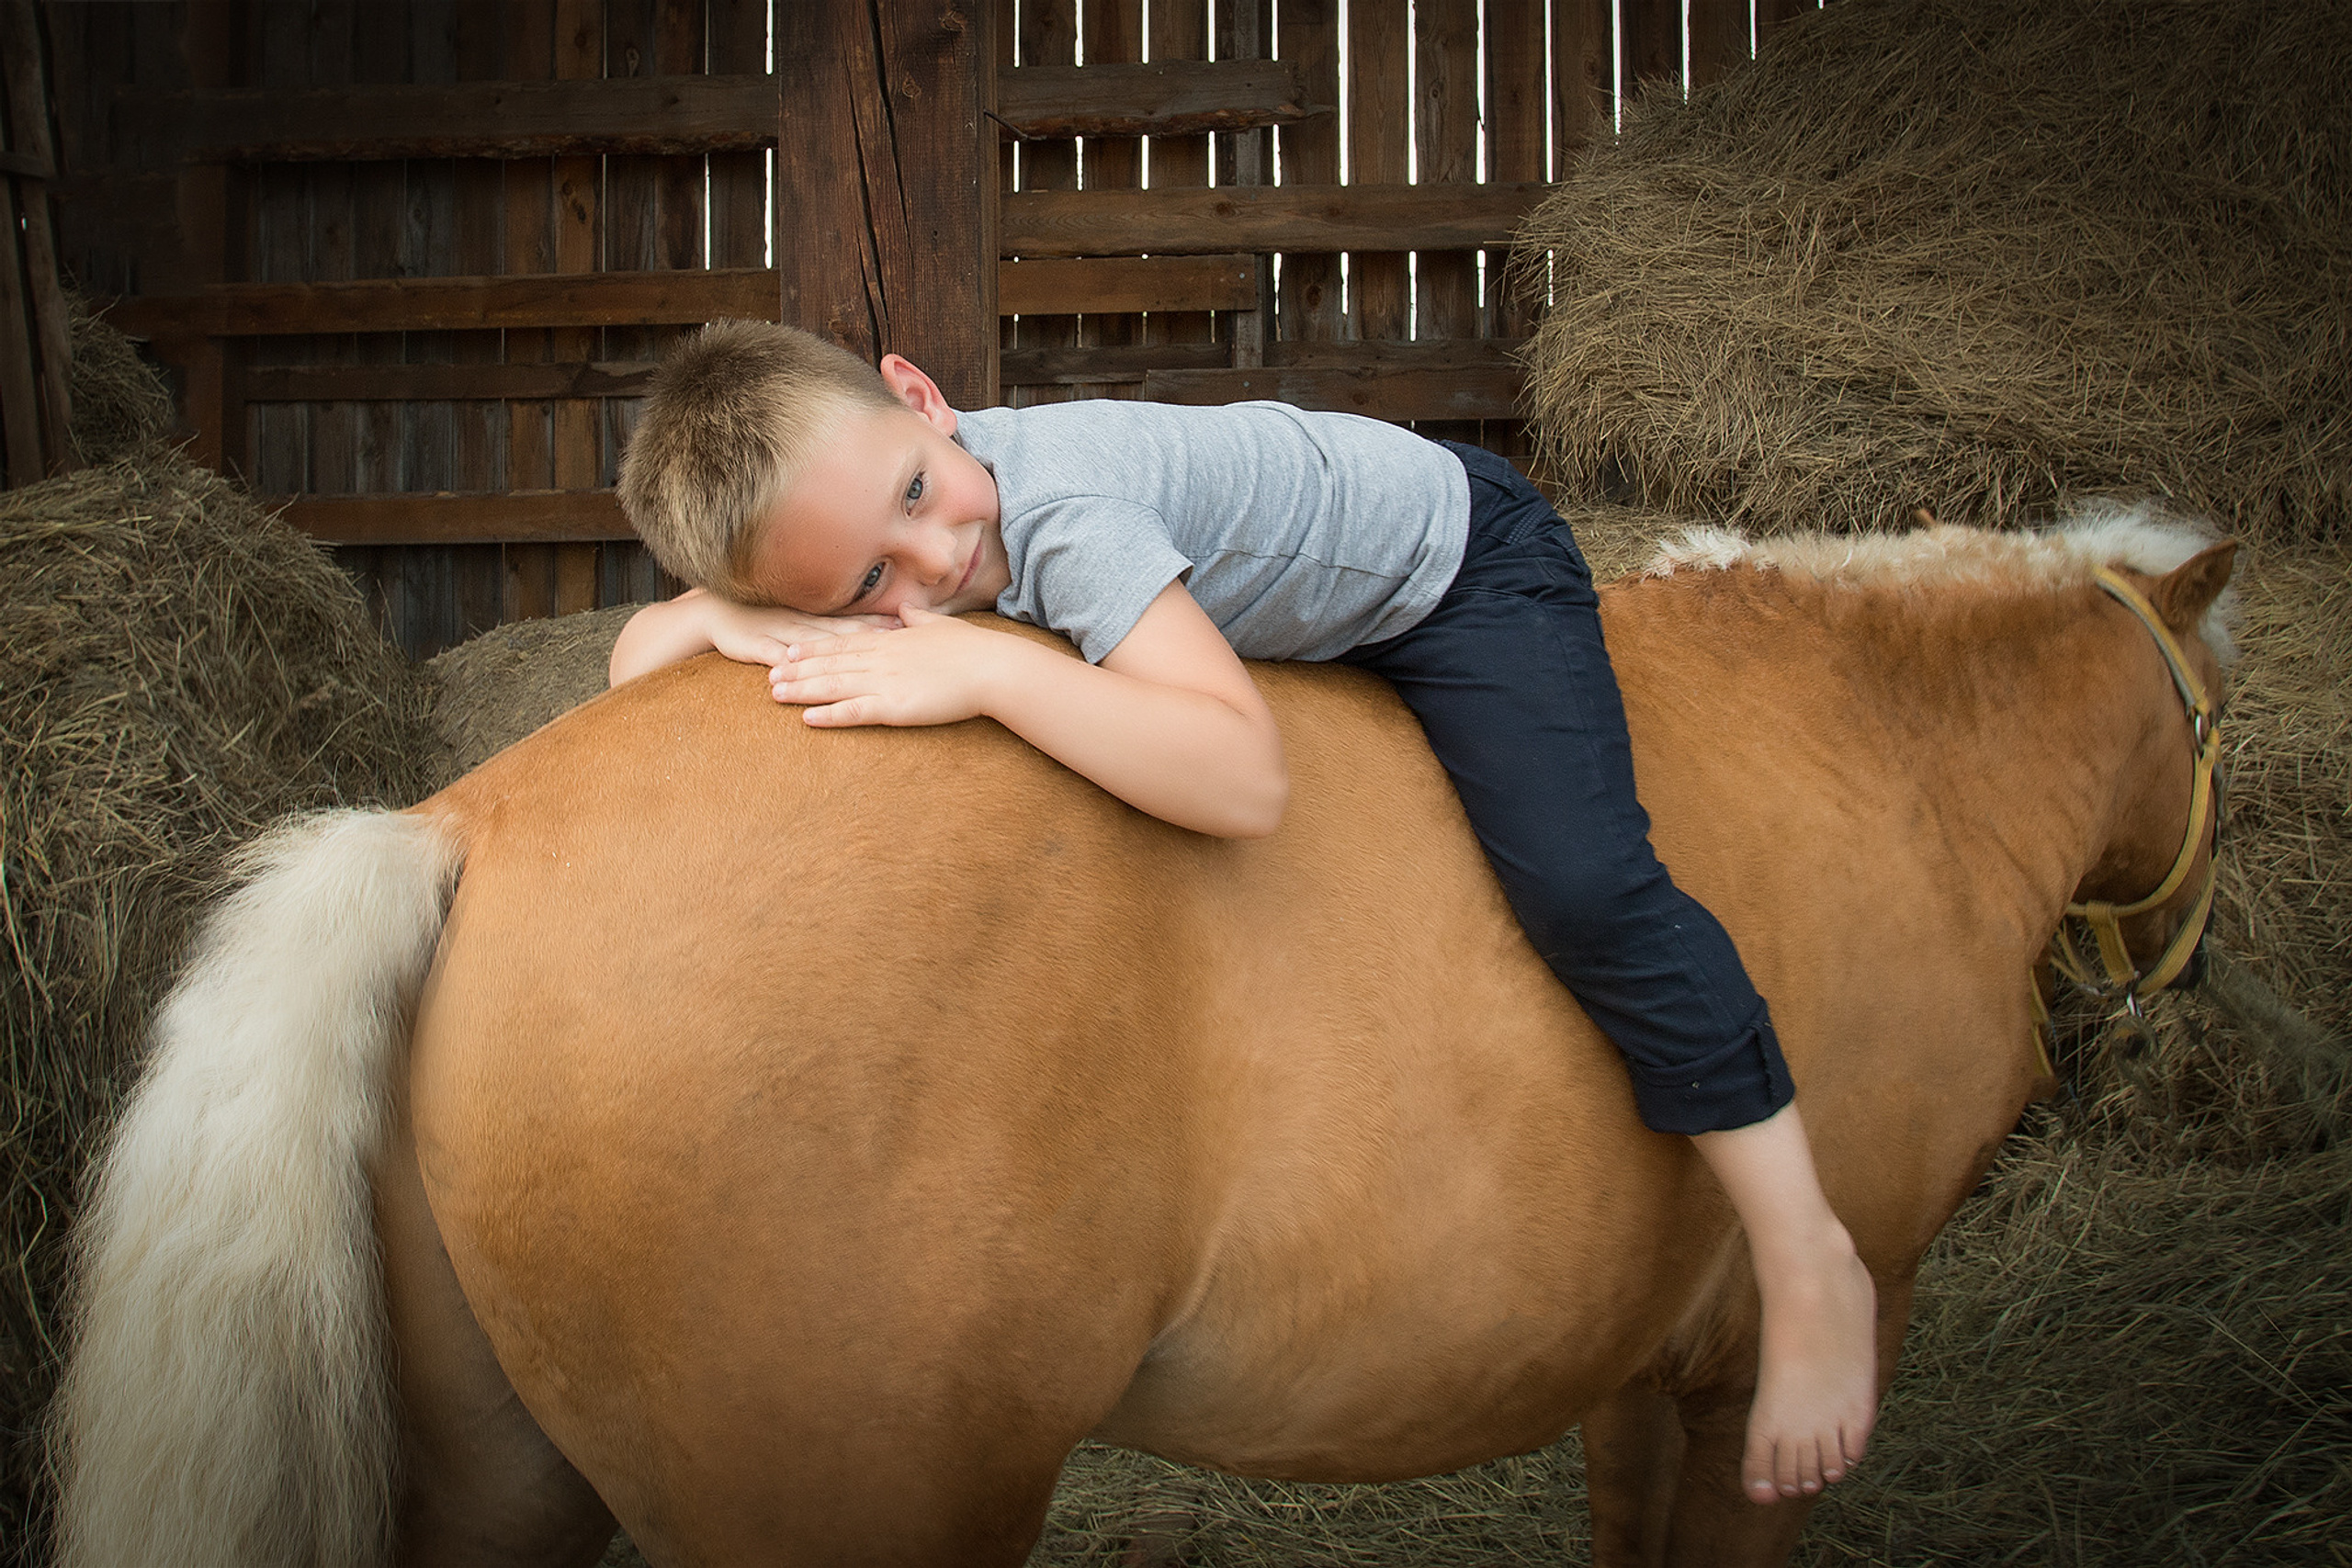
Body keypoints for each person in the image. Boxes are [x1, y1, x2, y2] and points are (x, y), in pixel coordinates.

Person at [609, 320, 1879, 1504]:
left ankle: (1805, 1251)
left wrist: (985, 665)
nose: (940, 564)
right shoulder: (890, 494)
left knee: (1590, 888)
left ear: (921, 397)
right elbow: (635, 664)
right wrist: (721, 615)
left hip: (1463, 562)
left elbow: (1244, 779)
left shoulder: (1060, 521)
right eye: (869, 581)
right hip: (1303, 570)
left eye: (916, 495)